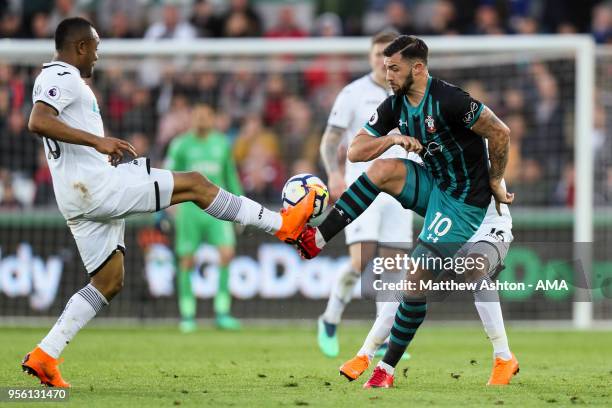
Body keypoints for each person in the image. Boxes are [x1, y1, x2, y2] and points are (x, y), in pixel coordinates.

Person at [21, 17, 314, 388]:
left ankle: (47, 353)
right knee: (195, 184)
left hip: (79, 197)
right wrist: (99, 143)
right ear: (80, 47)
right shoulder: (61, 76)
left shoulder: (61, 80)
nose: (98, 55)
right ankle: (283, 225)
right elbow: (37, 121)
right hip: (96, 189)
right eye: (95, 47)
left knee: (109, 280)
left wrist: (97, 149)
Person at [290, 35, 518, 388]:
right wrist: (392, 139)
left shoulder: (450, 100)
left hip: (473, 205)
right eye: (384, 68)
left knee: (440, 275)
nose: (387, 75)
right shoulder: (394, 105)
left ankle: (391, 366)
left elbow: (500, 132)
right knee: (384, 169)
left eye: (394, 68)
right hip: (438, 191)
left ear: (418, 68)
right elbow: (355, 151)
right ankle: (319, 237)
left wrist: (497, 179)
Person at [339, 194, 516, 386]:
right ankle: (366, 354)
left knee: (475, 266)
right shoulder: (425, 163)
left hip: (488, 224)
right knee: (412, 283)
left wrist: (497, 180)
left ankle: (503, 356)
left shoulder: (479, 163)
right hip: (451, 223)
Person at [316, 30, 418, 358]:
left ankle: (384, 336)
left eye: (387, 57)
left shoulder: (411, 95)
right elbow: (330, 140)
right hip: (363, 188)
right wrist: (333, 173)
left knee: (395, 265)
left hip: (400, 190)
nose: (381, 62)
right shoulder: (353, 93)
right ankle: (330, 318)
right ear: (370, 57)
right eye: (376, 55)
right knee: (361, 259)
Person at [165, 104, 243, 332]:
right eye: (197, 116)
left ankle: (222, 312)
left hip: (219, 208)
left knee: (226, 254)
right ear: (192, 119)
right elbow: (170, 176)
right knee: (187, 259)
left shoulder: (222, 143)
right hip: (189, 210)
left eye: (206, 116)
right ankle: (188, 315)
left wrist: (240, 207)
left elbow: (231, 176)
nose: (201, 120)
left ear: (213, 119)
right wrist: (170, 205)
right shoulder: (180, 145)